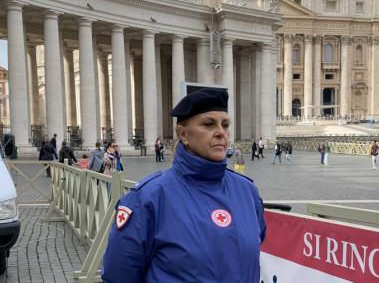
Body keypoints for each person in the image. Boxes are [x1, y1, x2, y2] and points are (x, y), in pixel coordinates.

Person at [102, 88, 266, 282]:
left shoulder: (247, 191)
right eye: (209, 124)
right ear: (183, 134)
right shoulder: (148, 199)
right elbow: (119, 274)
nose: (221, 133)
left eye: (226, 124)